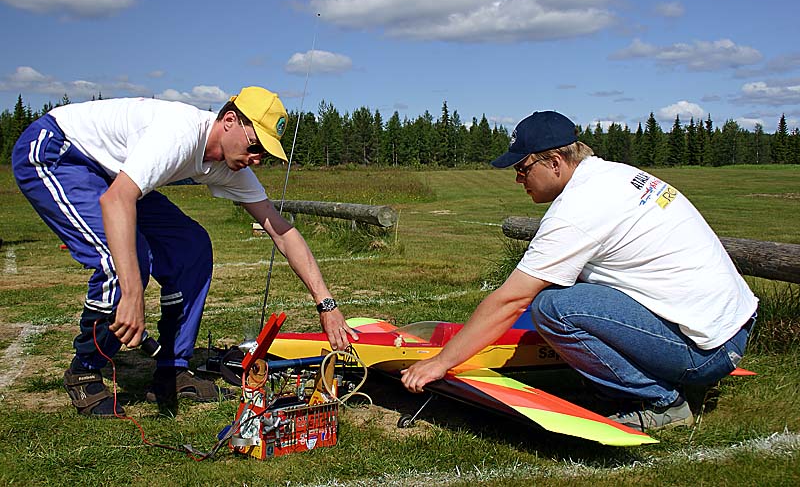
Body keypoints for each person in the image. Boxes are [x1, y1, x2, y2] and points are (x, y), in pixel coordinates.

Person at [401, 110, 758, 432]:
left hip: (705, 351)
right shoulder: (613, 175)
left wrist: (441, 362)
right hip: (729, 329)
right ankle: (643, 378)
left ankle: (661, 401)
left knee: (552, 308)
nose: (518, 179)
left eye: (523, 168)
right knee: (564, 291)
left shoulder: (576, 210)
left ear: (555, 162)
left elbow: (512, 301)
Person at [12, 86, 358, 417]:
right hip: (59, 152)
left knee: (192, 248)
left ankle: (171, 369)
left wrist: (326, 305)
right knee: (123, 260)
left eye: (264, 154)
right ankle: (85, 370)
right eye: (255, 146)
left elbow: (281, 231)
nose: (256, 159)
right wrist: (133, 294)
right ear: (229, 120)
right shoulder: (179, 134)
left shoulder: (232, 166)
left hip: (113, 175)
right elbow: (117, 200)